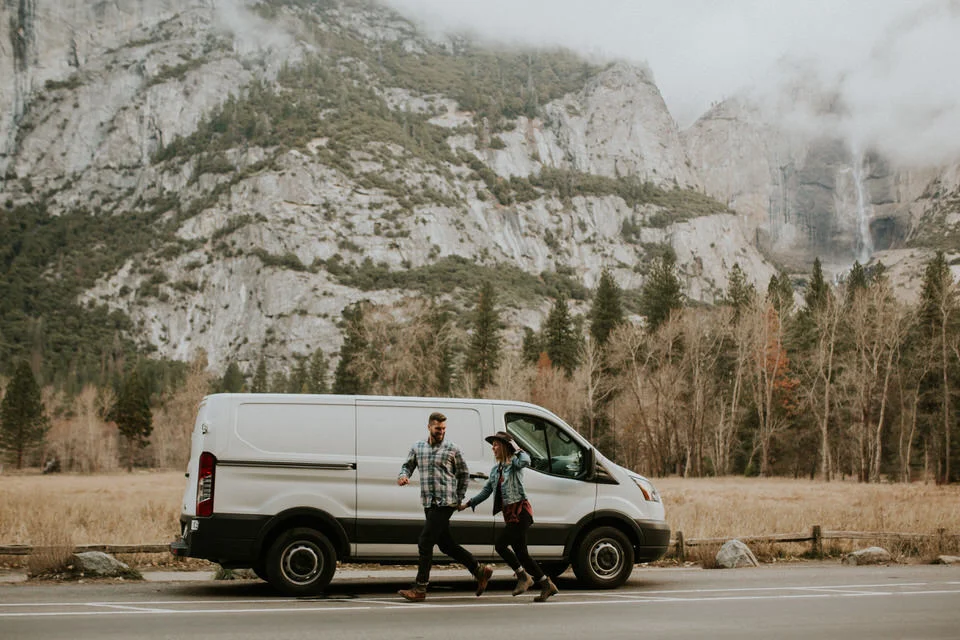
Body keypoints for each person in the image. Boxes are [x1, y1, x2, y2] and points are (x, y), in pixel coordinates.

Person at [397, 412, 494, 602]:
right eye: (437, 428)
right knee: (445, 544)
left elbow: (464, 474)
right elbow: (407, 466)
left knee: (425, 542)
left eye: (443, 429)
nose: (441, 432)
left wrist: (458, 498)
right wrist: (403, 475)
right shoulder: (418, 447)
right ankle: (479, 570)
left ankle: (420, 588)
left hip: (445, 502)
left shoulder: (452, 448)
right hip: (428, 501)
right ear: (429, 427)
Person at [460, 431, 559, 602]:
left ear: (505, 446)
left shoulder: (515, 462)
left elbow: (527, 460)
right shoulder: (495, 470)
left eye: (496, 444)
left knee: (500, 545)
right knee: (522, 555)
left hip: (521, 512)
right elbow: (486, 491)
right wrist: (467, 504)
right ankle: (546, 585)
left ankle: (523, 577)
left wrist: (515, 446)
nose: (493, 448)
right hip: (511, 515)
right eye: (493, 445)